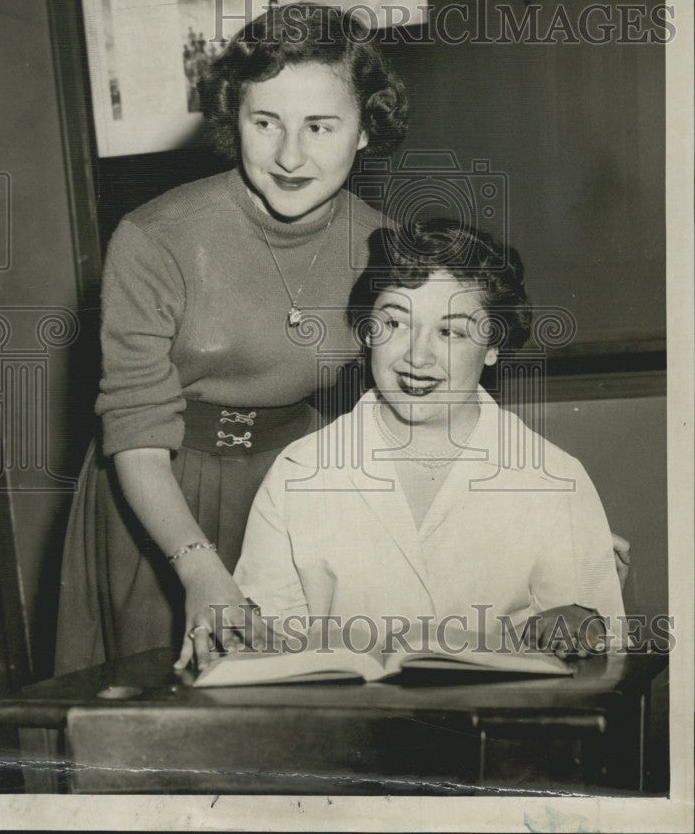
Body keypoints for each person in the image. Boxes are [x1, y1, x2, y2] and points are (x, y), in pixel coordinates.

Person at [54, 4, 408, 675]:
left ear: (365, 129)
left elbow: (412, 411)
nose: (290, 155)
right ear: (233, 119)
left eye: (320, 126)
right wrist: (198, 570)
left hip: (294, 492)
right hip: (157, 499)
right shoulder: (154, 237)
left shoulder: (386, 248)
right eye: (264, 122)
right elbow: (134, 429)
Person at [233, 219, 625, 656]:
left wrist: (579, 631)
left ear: (494, 345)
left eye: (451, 331)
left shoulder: (553, 478)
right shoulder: (299, 471)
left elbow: (599, 659)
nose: (417, 356)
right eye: (395, 323)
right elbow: (260, 654)